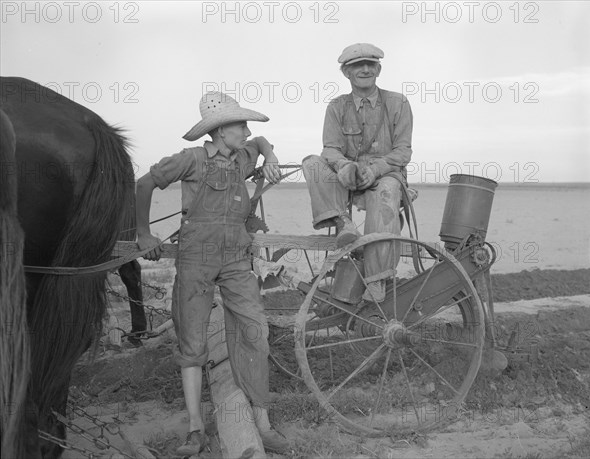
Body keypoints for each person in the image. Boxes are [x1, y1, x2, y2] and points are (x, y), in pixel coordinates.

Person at [135, 91, 289, 455]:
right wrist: (143, 233)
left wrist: (270, 156)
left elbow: (263, 140)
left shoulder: (244, 155)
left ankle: (263, 425)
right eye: (241, 124)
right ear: (221, 130)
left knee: (255, 331)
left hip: (237, 260)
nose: (247, 130)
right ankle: (194, 430)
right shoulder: (189, 160)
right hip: (196, 260)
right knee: (193, 343)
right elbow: (143, 184)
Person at [302, 43, 414, 303]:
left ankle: (376, 279)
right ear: (346, 73)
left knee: (386, 192)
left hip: (385, 175)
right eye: (357, 66)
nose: (364, 69)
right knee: (311, 163)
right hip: (349, 177)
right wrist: (344, 167)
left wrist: (375, 170)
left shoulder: (398, 103)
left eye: (370, 65)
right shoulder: (337, 106)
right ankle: (343, 222)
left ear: (378, 69)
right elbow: (330, 149)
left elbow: (403, 151)